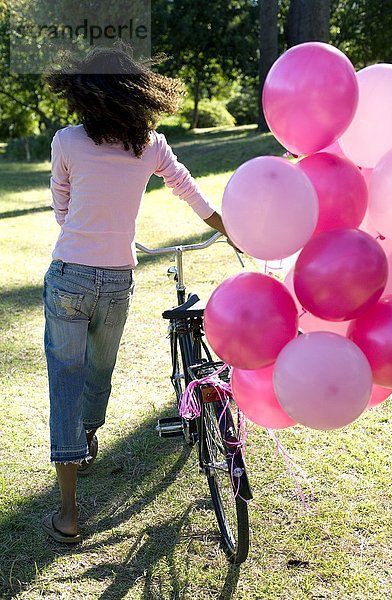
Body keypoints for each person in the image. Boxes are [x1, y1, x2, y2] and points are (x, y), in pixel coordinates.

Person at [41, 44, 229, 544]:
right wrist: (229, 228)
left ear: (85, 91)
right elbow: (192, 193)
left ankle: (68, 512)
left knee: (66, 380)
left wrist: (82, 232)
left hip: (69, 274)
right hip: (116, 281)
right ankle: (86, 436)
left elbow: (61, 204)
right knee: (98, 374)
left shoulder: (66, 140)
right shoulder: (149, 144)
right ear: (136, 92)